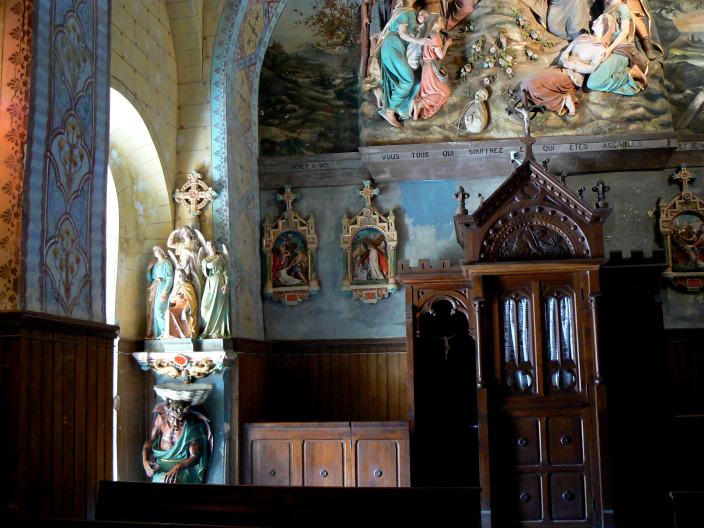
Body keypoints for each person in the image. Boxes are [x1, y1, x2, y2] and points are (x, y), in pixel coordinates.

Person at [521, 14, 615, 115]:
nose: (595, 21)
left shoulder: (600, 48)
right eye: (597, 18)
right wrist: (564, 59)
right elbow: (567, 50)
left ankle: (562, 100)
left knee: (534, 85)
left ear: (605, 27)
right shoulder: (583, 37)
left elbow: (591, 68)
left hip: (571, 76)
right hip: (561, 68)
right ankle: (560, 98)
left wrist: (573, 66)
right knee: (525, 84)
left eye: (599, 20)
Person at [376, 2, 433, 127]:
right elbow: (402, 34)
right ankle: (389, 111)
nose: (424, 16)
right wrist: (419, 41)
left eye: (426, 16)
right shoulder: (407, 14)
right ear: (419, 10)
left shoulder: (421, 27)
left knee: (417, 81)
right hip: (392, 45)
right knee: (408, 79)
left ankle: (394, 103)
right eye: (423, 13)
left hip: (400, 50)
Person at [142, 399, 210, 484]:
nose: (175, 423)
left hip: (183, 469)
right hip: (161, 467)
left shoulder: (191, 427)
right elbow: (150, 442)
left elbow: (195, 457)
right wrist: (145, 461)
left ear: (185, 415)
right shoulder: (161, 420)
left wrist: (178, 467)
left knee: (172, 481)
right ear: (167, 413)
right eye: (172, 418)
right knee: (163, 480)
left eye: (180, 420)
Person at [586, 3, 647, 96]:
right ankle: (624, 77)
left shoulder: (623, 7)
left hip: (620, 52)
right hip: (607, 50)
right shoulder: (606, 10)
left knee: (592, 83)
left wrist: (609, 49)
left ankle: (630, 74)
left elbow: (625, 32)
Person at [411, 16, 453, 120]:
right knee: (444, 93)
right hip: (430, 69)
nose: (444, 21)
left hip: (427, 67)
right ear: (435, 22)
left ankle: (418, 106)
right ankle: (420, 104)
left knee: (429, 91)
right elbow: (440, 55)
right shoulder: (435, 36)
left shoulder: (430, 34)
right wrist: (447, 45)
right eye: (441, 19)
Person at [200, 241, 231, 339]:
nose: (211, 247)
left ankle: (216, 331)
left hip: (220, 282)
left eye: (212, 245)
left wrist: (226, 284)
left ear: (215, 246)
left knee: (218, 307)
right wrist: (218, 258)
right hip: (210, 284)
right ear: (206, 247)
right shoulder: (206, 260)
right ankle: (208, 328)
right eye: (208, 245)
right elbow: (209, 267)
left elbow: (226, 273)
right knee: (204, 308)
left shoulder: (223, 259)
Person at [146, 246, 174, 339]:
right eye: (154, 251)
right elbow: (151, 279)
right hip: (156, 289)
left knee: (160, 311)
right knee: (155, 312)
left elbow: (170, 277)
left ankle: (165, 332)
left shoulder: (167, 263)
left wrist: (166, 290)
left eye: (157, 250)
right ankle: (158, 334)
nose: (155, 252)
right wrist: (149, 270)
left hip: (163, 288)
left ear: (161, 251)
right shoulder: (156, 265)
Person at [166, 269, 199, 338]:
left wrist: (187, 308)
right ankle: (173, 334)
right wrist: (176, 297)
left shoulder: (188, 285)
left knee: (184, 313)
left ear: (184, 276)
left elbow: (192, 300)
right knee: (169, 311)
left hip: (186, 306)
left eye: (181, 275)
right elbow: (171, 301)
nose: (179, 277)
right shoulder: (176, 286)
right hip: (177, 306)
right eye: (178, 276)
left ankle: (185, 334)